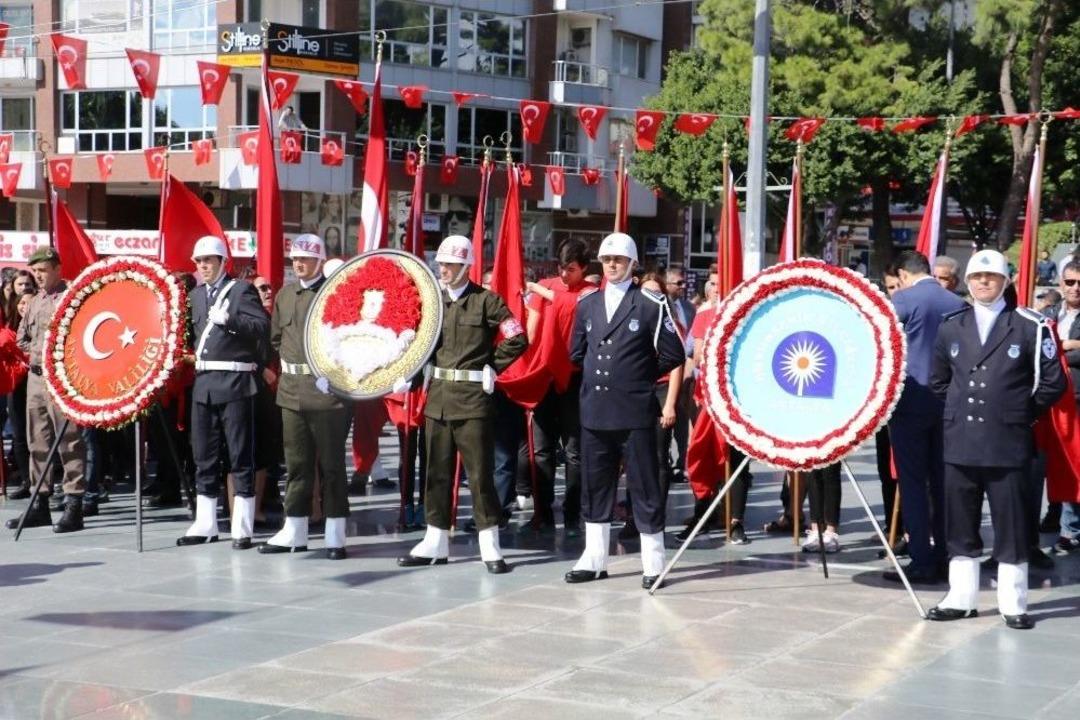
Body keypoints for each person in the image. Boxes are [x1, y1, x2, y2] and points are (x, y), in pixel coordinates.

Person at [927, 250, 1066, 629]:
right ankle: (961, 597)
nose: (983, 282)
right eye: (977, 277)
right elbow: (939, 381)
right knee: (960, 522)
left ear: (1005, 281)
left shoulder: (1030, 326)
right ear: (967, 282)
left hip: (1007, 441)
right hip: (961, 441)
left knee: (1013, 523)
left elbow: (1054, 382)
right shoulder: (951, 325)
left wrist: (1017, 412)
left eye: (991, 277)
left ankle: (1013, 601)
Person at [398, 235, 527, 573]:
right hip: (438, 399)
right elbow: (418, 343)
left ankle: (490, 545)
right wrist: (407, 374)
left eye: (451, 265)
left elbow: (517, 336)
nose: (444, 270)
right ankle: (435, 540)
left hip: (472, 401)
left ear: (467, 266)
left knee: (480, 475)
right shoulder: (432, 302)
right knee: (435, 474)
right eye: (441, 264)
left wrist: (493, 365)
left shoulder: (486, 301)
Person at [563, 233, 685, 590]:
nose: (612, 265)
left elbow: (673, 352)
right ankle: (595, 557)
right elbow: (576, 352)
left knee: (644, 484)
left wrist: (637, 374)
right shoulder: (587, 304)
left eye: (618, 259)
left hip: (634, 409)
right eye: (606, 259)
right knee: (595, 483)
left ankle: (653, 559)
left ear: (632, 264)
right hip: (596, 409)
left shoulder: (648, 304)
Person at [259, 234, 352, 559]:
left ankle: (335, 533)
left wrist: (334, 375)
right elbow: (275, 339)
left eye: (306, 259)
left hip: (328, 393)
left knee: (332, 466)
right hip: (292, 392)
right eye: (295, 259)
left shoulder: (334, 294)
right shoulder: (285, 295)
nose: (299, 264)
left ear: (320, 261)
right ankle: (295, 528)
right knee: (297, 466)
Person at [178, 236, 270, 550]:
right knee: (203, 455)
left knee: (239, 454)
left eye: (208, 261)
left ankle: (241, 525)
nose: (202, 266)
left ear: (222, 262)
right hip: (204, 383)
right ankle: (206, 523)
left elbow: (262, 327)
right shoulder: (194, 295)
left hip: (234, 381)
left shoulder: (241, 290)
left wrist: (231, 320)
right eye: (198, 262)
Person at [883, 251, 967, 585]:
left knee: (913, 483)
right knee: (945, 483)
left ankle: (921, 558)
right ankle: (948, 554)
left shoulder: (903, 300)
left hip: (910, 401)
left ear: (903, 275)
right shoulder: (957, 303)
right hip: (949, 403)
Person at [5, 248, 87, 533]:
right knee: (36, 440)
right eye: (35, 271)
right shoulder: (37, 300)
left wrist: (58, 357)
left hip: (62, 378)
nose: (38, 276)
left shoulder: (70, 298)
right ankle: (40, 502)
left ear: (57, 269)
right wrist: (37, 355)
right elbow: (22, 338)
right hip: (36, 378)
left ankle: (74, 503)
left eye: (43, 270)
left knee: (69, 441)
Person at [518, 238, 597, 533]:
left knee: (574, 452)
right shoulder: (549, 285)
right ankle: (542, 514)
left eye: (572, 269)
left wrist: (540, 289)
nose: (565, 275)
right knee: (540, 450)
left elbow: (571, 302)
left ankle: (573, 514)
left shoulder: (591, 292)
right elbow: (532, 326)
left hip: (576, 378)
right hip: (545, 374)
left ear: (584, 269)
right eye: (561, 268)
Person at [1048, 260, 1080, 555]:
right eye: (1069, 282)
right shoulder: (1049, 313)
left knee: (1075, 464)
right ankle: (1054, 515)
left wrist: (1069, 346)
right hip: (1051, 401)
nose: (1075, 288)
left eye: (1079, 283)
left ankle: (1070, 530)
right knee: (1055, 464)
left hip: (1077, 400)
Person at [664, 266, 695, 483]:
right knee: (665, 421)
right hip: (665, 374)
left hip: (686, 371)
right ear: (667, 284)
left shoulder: (689, 308)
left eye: (684, 283)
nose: (683, 287)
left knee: (682, 423)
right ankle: (664, 460)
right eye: (678, 283)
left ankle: (679, 463)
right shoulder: (660, 305)